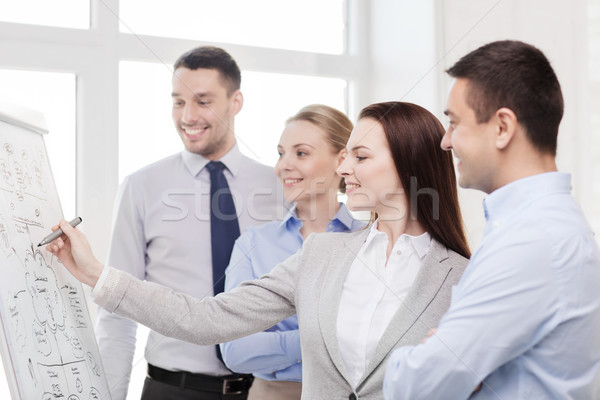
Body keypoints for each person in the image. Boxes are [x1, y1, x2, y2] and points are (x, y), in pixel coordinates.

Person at [46, 101, 471, 399]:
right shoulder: (323, 254)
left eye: (359, 157)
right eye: (345, 157)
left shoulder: (462, 277)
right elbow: (206, 318)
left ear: (408, 162)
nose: (344, 169)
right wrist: (97, 274)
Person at [383, 40, 600, 399]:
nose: (445, 142)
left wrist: (415, 359)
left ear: (502, 127)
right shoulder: (535, 228)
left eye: (454, 123)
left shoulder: (532, 241)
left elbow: (418, 387)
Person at [98, 46, 281, 400]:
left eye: (202, 101)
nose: (187, 115)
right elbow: (117, 309)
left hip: (267, 391)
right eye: (178, 101)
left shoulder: (277, 186)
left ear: (236, 101)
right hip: (173, 390)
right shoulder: (142, 187)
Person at [220, 104, 365, 400]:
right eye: (280, 153)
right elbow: (234, 350)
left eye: (301, 153)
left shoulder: (369, 241)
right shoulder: (253, 244)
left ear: (341, 160)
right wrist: (317, 341)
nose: (282, 165)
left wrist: (277, 347)